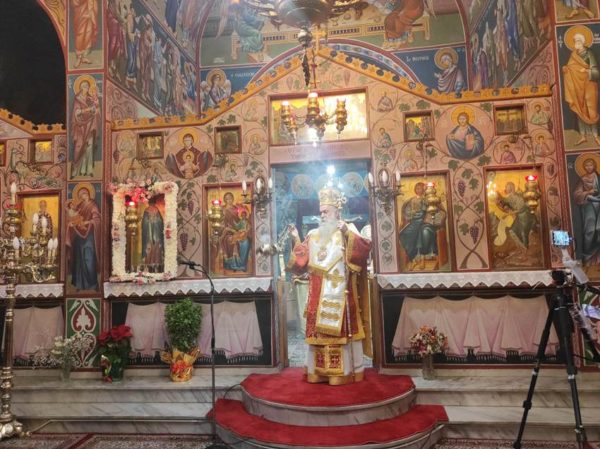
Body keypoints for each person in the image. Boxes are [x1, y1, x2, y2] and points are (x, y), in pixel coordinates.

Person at [288, 186, 371, 385]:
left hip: (342, 295)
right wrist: (296, 238)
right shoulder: (314, 234)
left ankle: (346, 371)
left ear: (337, 212)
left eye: (326, 211)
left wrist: (347, 233)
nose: (322, 215)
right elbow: (300, 262)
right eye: (321, 212)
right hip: (318, 295)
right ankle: (317, 372)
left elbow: (363, 251)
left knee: (341, 332)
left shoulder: (348, 230)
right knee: (319, 333)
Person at [562, 31, 600, 146]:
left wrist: (587, 71)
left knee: (592, 111)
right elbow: (570, 68)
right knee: (580, 109)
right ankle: (583, 136)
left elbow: (596, 72)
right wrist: (566, 69)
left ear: (583, 42)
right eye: (575, 42)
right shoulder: (573, 55)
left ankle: (596, 136)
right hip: (578, 86)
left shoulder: (589, 53)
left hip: (589, 85)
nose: (576, 43)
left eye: (578, 41)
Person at [398, 182, 446, 270]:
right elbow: (407, 214)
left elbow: (441, 213)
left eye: (421, 188)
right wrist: (412, 215)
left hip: (428, 224)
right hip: (415, 222)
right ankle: (412, 258)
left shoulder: (433, 199)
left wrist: (434, 219)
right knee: (405, 233)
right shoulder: (411, 200)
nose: (419, 190)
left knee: (424, 232)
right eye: (417, 188)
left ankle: (422, 258)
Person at [65, 185, 101, 292]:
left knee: (88, 259)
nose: (83, 196)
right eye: (81, 195)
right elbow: (74, 216)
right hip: (78, 236)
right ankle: (79, 284)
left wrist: (88, 222)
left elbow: (97, 219)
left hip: (89, 236)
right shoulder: (79, 205)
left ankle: (93, 284)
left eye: (84, 194)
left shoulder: (93, 205)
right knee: (79, 259)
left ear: (88, 193)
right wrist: (71, 223)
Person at [71, 78, 100, 178]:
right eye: (83, 86)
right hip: (80, 127)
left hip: (90, 125)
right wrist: (87, 110)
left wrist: (95, 110)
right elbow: (76, 113)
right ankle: (77, 170)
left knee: (89, 147)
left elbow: (96, 110)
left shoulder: (90, 98)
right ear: (80, 88)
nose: (85, 88)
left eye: (87, 86)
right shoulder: (77, 99)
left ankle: (88, 170)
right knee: (79, 147)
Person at [573, 157, 600, 266]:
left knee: (599, 230)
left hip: (599, 205)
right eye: (587, 166)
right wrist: (588, 192)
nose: (589, 167)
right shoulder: (582, 179)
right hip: (588, 206)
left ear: (594, 166)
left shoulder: (598, 178)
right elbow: (577, 194)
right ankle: (588, 258)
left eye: (591, 165)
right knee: (590, 231)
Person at [495, 182, 535, 249]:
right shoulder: (512, 196)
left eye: (506, 187)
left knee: (522, 233)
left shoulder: (515, 196)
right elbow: (504, 201)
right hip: (520, 217)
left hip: (524, 217)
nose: (505, 189)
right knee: (513, 231)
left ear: (510, 188)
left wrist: (508, 213)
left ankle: (525, 249)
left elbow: (520, 209)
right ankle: (522, 249)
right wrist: (498, 197)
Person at [71, 0, 99, 68]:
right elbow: (75, 2)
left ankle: (83, 57)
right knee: (80, 34)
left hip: (89, 14)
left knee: (88, 34)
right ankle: (79, 57)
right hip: (81, 14)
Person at [141, 197, 164, 272]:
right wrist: (152, 222)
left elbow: (160, 222)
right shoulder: (149, 210)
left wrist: (151, 222)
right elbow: (145, 223)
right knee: (150, 246)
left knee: (154, 245)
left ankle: (156, 264)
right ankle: (150, 265)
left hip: (154, 233)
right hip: (150, 233)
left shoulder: (153, 210)